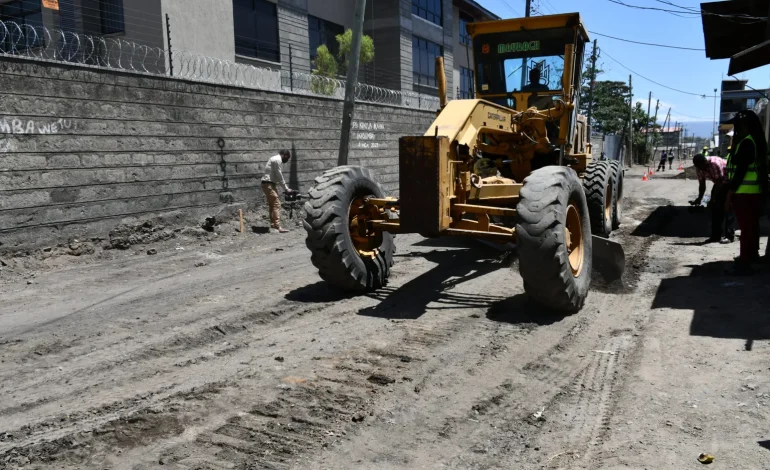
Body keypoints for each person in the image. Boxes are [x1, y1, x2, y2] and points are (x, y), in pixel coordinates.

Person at [724, 110, 768, 274]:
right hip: (751, 193)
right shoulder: (754, 141)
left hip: (744, 193)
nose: (735, 129)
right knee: (751, 227)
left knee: (746, 229)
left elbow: (741, 170)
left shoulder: (747, 143)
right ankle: (751, 255)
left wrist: (730, 193)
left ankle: (744, 262)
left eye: (737, 125)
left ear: (744, 125)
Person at [691, 153, 734, 244]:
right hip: (719, 183)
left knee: (727, 207)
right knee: (715, 210)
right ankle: (715, 236)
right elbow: (702, 185)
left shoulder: (714, 164)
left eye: (702, 167)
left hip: (728, 182)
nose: (701, 169)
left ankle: (729, 236)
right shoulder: (699, 168)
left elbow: (720, 183)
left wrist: (711, 200)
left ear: (705, 162)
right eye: (698, 167)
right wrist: (699, 198)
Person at [261, 149, 295, 233]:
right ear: (284, 154)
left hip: (269, 184)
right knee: (276, 203)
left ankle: (273, 225)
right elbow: (279, 175)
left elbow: (274, 175)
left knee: (272, 205)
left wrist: (276, 187)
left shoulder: (274, 159)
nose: (287, 160)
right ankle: (277, 226)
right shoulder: (277, 160)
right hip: (268, 184)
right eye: (287, 157)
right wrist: (286, 189)